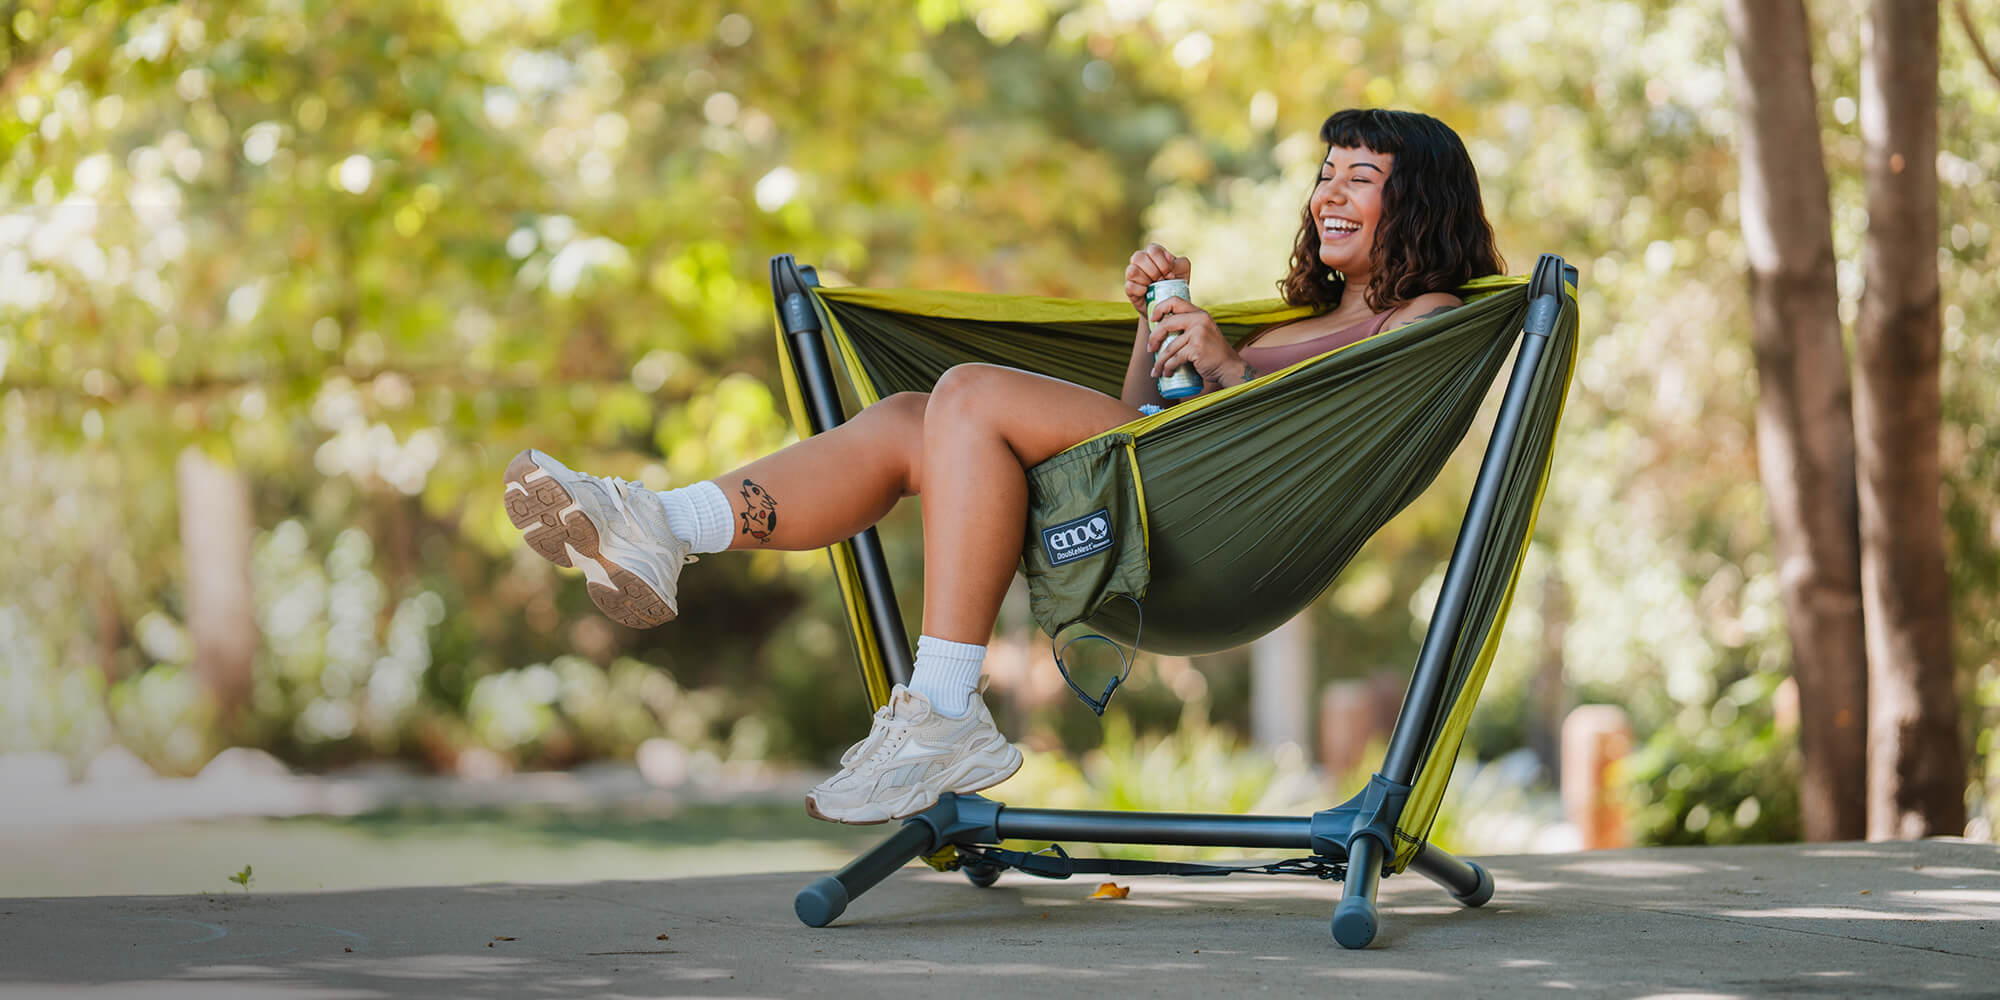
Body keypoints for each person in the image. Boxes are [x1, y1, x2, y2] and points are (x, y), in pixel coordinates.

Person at [502, 108, 1504, 825]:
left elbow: (1301, 428)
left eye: (1358, 177)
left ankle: (943, 711)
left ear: (1415, 201)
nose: (1328, 193)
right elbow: (1129, 423)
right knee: (908, 415)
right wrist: (1152, 329)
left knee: (968, 395)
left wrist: (1230, 363)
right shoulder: (1294, 321)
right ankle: (659, 523)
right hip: (1140, 503)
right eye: (1324, 174)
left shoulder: (1427, 318)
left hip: (1212, 549)